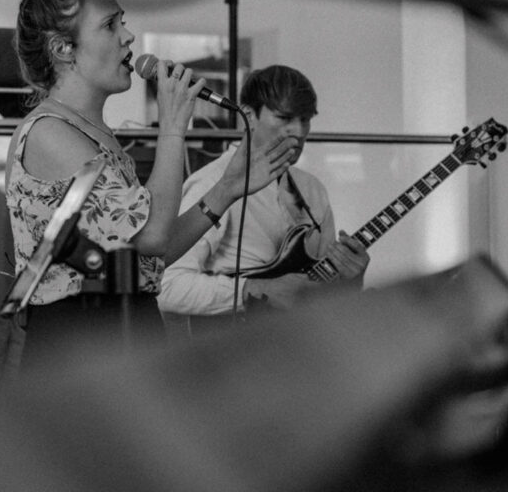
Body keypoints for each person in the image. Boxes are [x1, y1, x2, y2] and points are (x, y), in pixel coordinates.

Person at [4, 0, 297, 368]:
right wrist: (173, 127)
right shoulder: (50, 133)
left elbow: (147, 257)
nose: (129, 36)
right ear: (63, 49)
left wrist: (226, 188)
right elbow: (155, 234)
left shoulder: (94, 133)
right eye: (110, 26)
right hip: (78, 342)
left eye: (122, 22)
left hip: (123, 329)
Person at [157, 64, 370, 334]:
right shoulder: (210, 184)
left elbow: (317, 293)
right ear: (249, 115)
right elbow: (164, 286)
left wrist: (350, 279)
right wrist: (253, 290)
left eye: (306, 119)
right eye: (285, 117)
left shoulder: (312, 189)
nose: (299, 131)